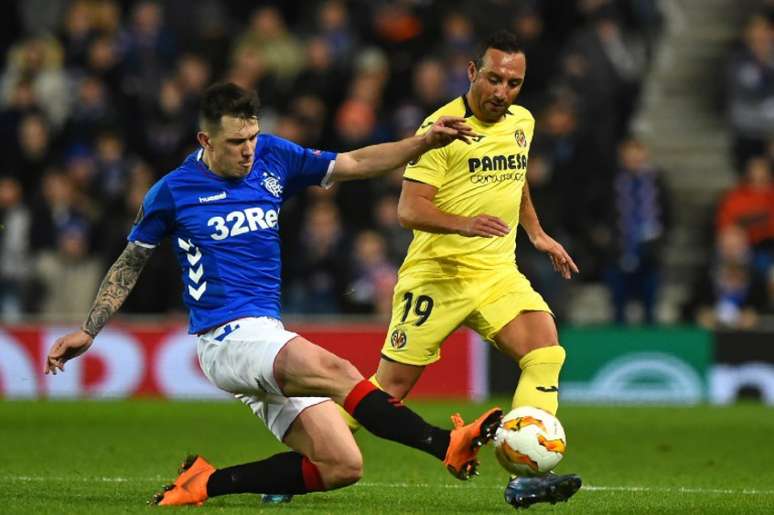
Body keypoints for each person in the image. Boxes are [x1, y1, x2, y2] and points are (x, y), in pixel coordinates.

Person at [43, 82, 503, 507]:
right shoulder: (172, 192)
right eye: (235, 143)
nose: (248, 151)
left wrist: (422, 142)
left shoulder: (273, 157)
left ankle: (203, 483)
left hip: (267, 334)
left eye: (252, 138)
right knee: (337, 369)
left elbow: (355, 163)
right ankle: (445, 445)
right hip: (224, 340)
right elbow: (131, 262)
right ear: (205, 141)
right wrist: (89, 330)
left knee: (342, 465)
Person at [340, 31, 582, 509]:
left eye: (513, 83)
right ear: (473, 72)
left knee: (545, 351)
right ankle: (307, 457)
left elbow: (517, 177)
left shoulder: (523, 122)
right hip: (437, 276)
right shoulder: (441, 128)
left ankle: (524, 469)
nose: (502, 91)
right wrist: (465, 223)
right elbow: (409, 209)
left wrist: (534, 232)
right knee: (388, 390)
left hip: (496, 274)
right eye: (494, 78)